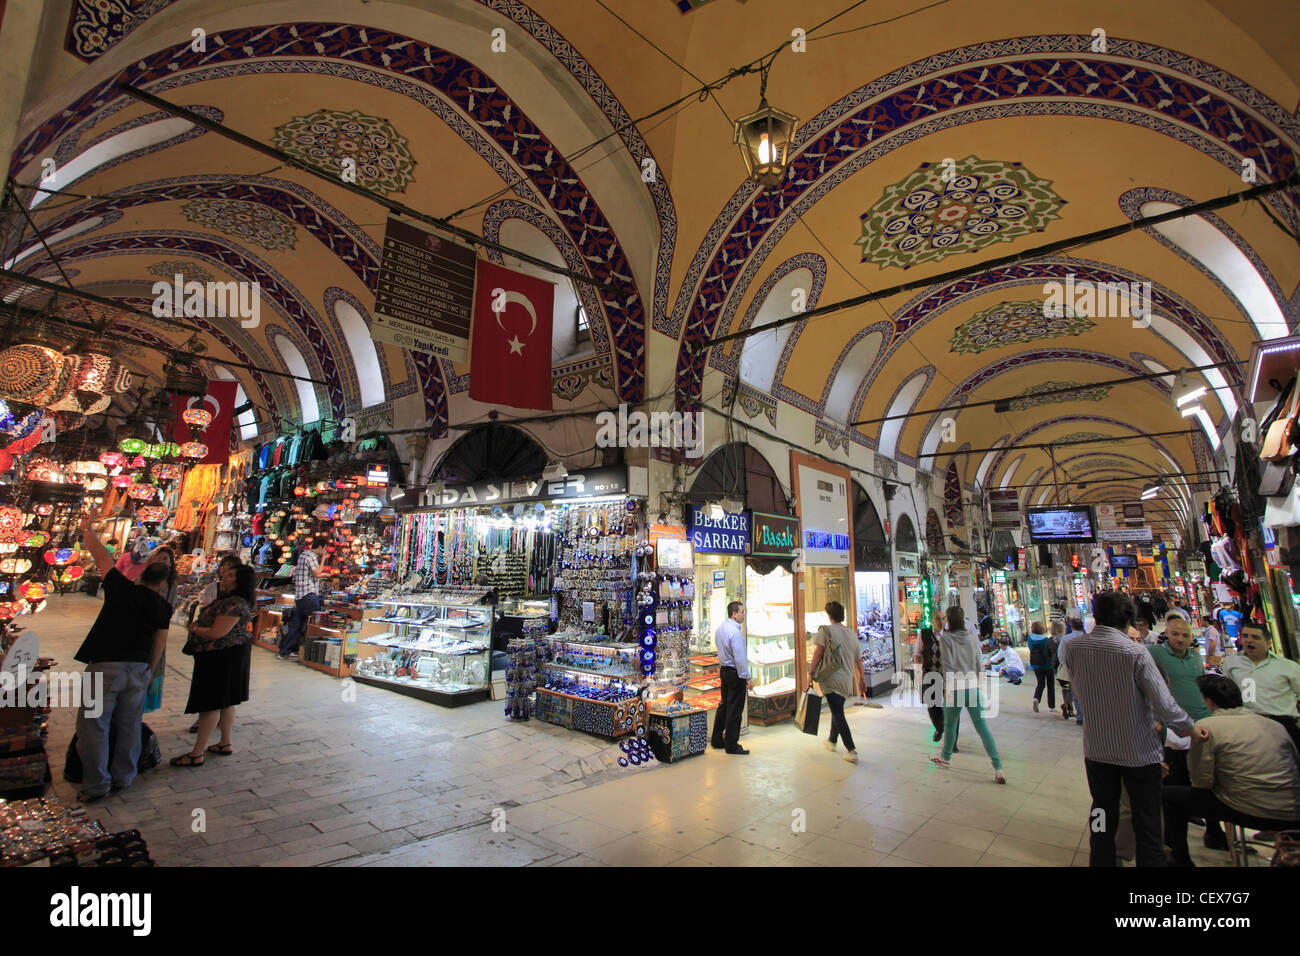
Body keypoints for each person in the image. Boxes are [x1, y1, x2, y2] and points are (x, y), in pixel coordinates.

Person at [1062, 590, 1193, 866]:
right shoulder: (1135, 653)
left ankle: (1100, 858)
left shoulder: (1074, 648)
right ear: (1128, 621)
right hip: (1139, 753)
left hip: (1097, 751)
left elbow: (1079, 687)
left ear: (1096, 617)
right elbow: (1166, 707)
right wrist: (1191, 729)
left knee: (1101, 810)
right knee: (1147, 820)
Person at [71, 519, 173, 802]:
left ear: (140, 575)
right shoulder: (163, 607)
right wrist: (148, 672)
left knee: (93, 726)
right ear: (163, 583)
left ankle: (96, 784)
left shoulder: (121, 588)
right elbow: (159, 643)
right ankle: (123, 777)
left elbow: (102, 557)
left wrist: (87, 530)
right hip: (138, 669)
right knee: (129, 724)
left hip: (104, 667)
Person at [1162, 675, 1300, 866]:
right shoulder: (1275, 726)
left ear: (1208, 701)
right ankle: (1214, 835)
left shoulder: (1206, 728)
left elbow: (1201, 781)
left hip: (1246, 808)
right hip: (1291, 810)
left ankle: (1180, 860)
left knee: (1168, 797)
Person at [172, 564, 257, 766]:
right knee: (226, 700)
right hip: (230, 655)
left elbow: (216, 633)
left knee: (211, 703)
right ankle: (224, 742)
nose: (224, 577)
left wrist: (196, 628)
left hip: (221, 656)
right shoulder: (232, 600)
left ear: (239, 581)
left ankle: (197, 753)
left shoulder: (234, 603)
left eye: (230, 575)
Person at [929, 605, 1005, 784]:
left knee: (949, 724)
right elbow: (979, 661)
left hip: (955, 687)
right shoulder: (971, 638)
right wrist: (981, 683)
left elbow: (946, 664)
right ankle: (998, 767)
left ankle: (946, 757)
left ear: (949, 619)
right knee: (982, 728)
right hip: (972, 686)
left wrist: (947, 687)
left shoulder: (946, 638)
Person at [1221, 622, 1300, 754]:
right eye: (1245, 636)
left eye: (1255, 637)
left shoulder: (1287, 667)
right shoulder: (1231, 664)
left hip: (1283, 725)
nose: (1249, 641)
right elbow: (1228, 695)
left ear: (1268, 643)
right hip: (1247, 725)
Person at [809, 601, 866, 764]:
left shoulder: (825, 631)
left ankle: (851, 750)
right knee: (837, 709)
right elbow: (859, 659)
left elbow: (818, 654)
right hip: (847, 680)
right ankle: (832, 741)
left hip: (831, 678)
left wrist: (810, 672)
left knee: (838, 713)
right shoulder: (851, 633)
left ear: (829, 615)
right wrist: (861, 678)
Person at [710, 601, 750, 755]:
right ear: (734, 614)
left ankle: (717, 738)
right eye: (742, 612)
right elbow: (740, 658)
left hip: (724, 671)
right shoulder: (735, 633)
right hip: (735, 673)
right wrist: (747, 677)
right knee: (734, 709)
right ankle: (732, 744)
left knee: (724, 705)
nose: (743, 614)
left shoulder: (720, 629)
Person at [914, 609, 956, 748]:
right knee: (932, 705)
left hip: (948, 675)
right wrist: (918, 673)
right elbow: (917, 654)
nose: (941, 621)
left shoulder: (950, 634)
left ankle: (953, 741)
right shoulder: (924, 635)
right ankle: (939, 728)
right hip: (930, 673)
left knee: (952, 706)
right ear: (932, 620)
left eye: (943, 618)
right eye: (938, 619)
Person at [280, 538, 328, 660]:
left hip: (300, 595)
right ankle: (308, 654)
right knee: (312, 625)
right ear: (321, 547)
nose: (325, 551)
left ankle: (286, 651)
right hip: (309, 595)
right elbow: (317, 573)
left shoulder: (303, 554)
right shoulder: (311, 556)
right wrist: (323, 560)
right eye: (325, 548)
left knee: (297, 625)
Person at [1057, 615, 1085, 723]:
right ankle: (1083, 714)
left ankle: (1079, 715)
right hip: (1085, 668)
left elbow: (1061, 655)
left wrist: (1065, 665)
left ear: (1072, 627)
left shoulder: (1066, 638)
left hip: (1070, 668)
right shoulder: (1087, 637)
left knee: (1073, 691)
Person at [1027, 620, 1056, 712]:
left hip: (1036, 665)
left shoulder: (1030, 639)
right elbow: (1048, 652)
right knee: (1050, 685)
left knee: (1040, 683)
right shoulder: (1046, 640)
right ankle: (1051, 706)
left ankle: (1036, 698)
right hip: (1047, 665)